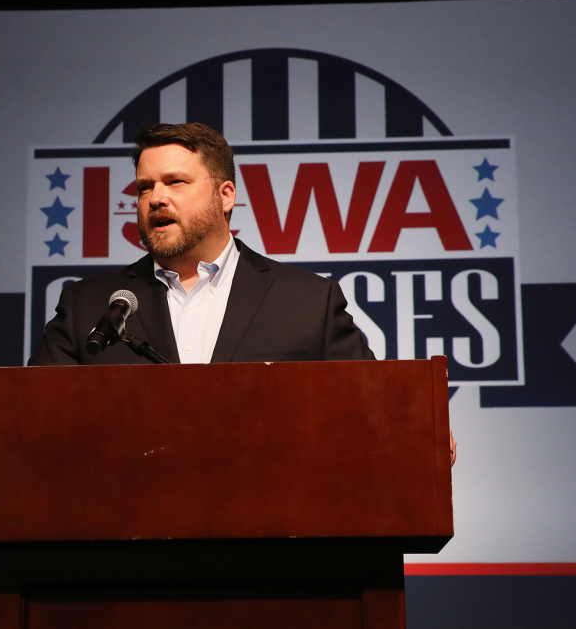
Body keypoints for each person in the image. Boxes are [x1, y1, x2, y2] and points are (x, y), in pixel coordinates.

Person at [28, 122, 456, 465]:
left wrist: (419, 433)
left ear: (225, 195)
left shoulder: (308, 302)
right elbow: (33, 424)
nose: (155, 198)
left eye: (175, 182)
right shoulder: (89, 306)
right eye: (144, 187)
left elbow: (374, 416)